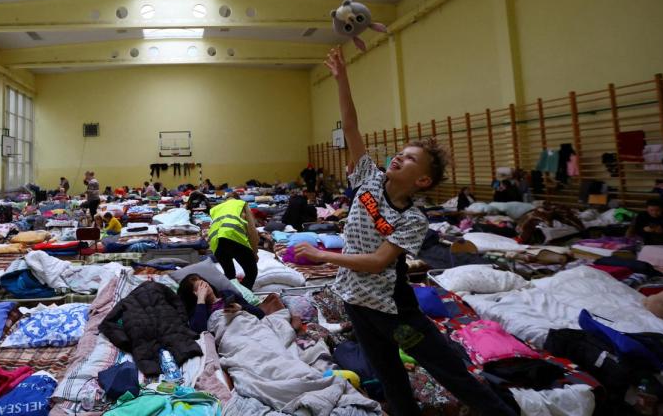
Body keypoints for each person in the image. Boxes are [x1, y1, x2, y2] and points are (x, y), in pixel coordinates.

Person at [294, 47, 517, 416]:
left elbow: (379, 261)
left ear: (423, 179)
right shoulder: (368, 177)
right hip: (358, 305)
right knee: (391, 380)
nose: (399, 156)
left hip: (394, 314)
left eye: (410, 158)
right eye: (401, 152)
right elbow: (350, 125)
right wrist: (341, 78)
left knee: (447, 369)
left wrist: (322, 255)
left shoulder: (413, 219)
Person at [208, 192, 260, 290]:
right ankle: (244, 296)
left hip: (215, 242)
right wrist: (254, 252)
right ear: (238, 198)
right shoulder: (241, 204)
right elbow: (252, 231)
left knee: (229, 274)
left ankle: (231, 297)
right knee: (251, 272)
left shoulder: (216, 208)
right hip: (232, 235)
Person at [176, 274, 264, 333]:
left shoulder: (228, 294)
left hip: (249, 327)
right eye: (200, 288)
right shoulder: (198, 310)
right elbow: (200, 331)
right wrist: (201, 300)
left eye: (203, 283)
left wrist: (241, 308)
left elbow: (260, 314)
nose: (205, 287)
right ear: (194, 294)